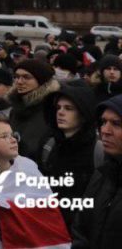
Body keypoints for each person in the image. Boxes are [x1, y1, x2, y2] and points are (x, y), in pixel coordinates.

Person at [0, 114, 71, 249]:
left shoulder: (28, 170)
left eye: (13, 135)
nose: (13, 140)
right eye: (5, 136)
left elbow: (48, 220)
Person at [40, 81, 99, 229]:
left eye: (68, 108)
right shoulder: (49, 145)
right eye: (58, 108)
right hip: (52, 229)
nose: (60, 112)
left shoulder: (98, 150)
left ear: (84, 114)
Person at [71, 94, 122, 247]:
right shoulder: (103, 173)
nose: (105, 131)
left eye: (117, 123)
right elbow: (81, 228)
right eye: (103, 122)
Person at [8, 59, 59, 161]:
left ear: (41, 80)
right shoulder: (15, 108)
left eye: (26, 77)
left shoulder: (52, 109)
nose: (19, 81)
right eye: (17, 77)